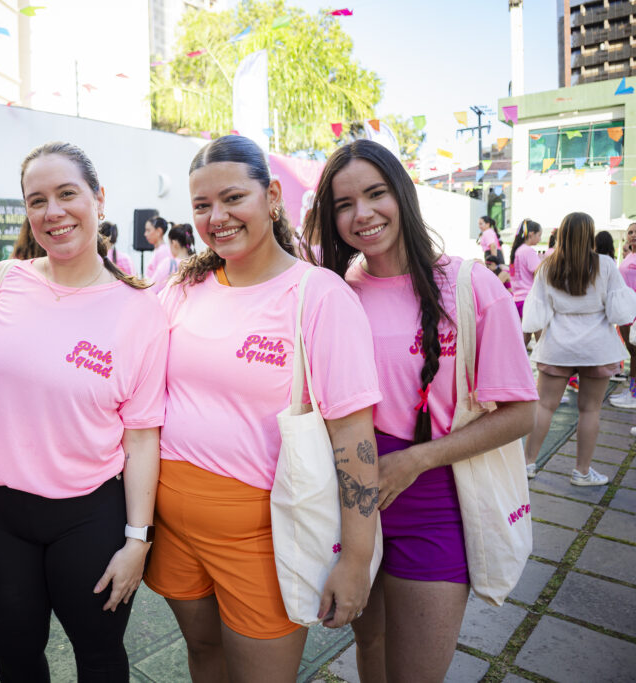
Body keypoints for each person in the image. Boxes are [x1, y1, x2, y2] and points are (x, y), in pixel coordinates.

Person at [143, 135, 382, 682]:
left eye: (232, 199)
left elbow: (354, 437)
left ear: (271, 195)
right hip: (173, 527)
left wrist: (355, 560)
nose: (216, 217)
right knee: (204, 659)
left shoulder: (317, 296)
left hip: (264, 539)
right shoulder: (183, 287)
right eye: (202, 205)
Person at [304, 140, 537, 683]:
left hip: (435, 502)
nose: (361, 214)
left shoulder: (469, 284)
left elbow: (521, 413)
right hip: (350, 498)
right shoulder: (331, 292)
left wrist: (417, 461)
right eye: (342, 204)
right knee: (372, 653)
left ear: (402, 195)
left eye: (375, 193)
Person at [0, 141, 167, 682]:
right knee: (15, 659)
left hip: (89, 515)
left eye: (67, 194)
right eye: (37, 200)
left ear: (98, 199)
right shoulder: (3, 283)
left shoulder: (141, 312)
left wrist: (137, 540)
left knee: (100, 659)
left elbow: (142, 437)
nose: (53, 212)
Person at [525, 213, 636, 467]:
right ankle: (582, 472)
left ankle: (527, 465)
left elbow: (535, 317)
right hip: (597, 347)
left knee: (544, 407)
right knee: (590, 411)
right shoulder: (605, 265)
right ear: (591, 234)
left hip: (557, 346)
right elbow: (619, 312)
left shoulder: (547, 266)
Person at [611, 221, 636, 408]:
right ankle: (631, 391)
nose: (633, 235)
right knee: (632, 352)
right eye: (630, 232)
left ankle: (633, 394)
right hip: (625, 310)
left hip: (633, 312)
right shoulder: (630, 255)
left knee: (635, 353)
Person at [509, 219, 543, 348]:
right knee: (540, 336)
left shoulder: (517, 251)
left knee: (525, 335)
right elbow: (539, 273)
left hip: (518, 298)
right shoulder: (528, 251)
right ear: (531, 234)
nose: (540, 239)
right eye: (539, 235)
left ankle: (513, 361)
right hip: (530, 298)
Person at [148, 223, 195, 293]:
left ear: (174, 243)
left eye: (169, 243)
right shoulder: (196, 264)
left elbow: (152, 289)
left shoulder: (168, 264)